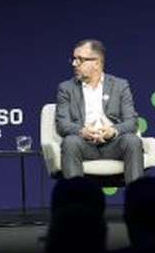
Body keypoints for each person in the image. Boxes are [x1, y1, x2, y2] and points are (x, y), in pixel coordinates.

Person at [55, 38, 144, 183]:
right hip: (84, 144)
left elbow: (132, 122)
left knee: (132, 141)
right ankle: (75, 197)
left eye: (80, 60)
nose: (74, 64)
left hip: (113, 144)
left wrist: (113, 131)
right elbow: (62, 124)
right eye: (74, 59)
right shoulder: (66, 88)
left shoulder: (120, 85)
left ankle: (137, 196)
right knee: (70, 142)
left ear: (96, 63)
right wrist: (82, 131)